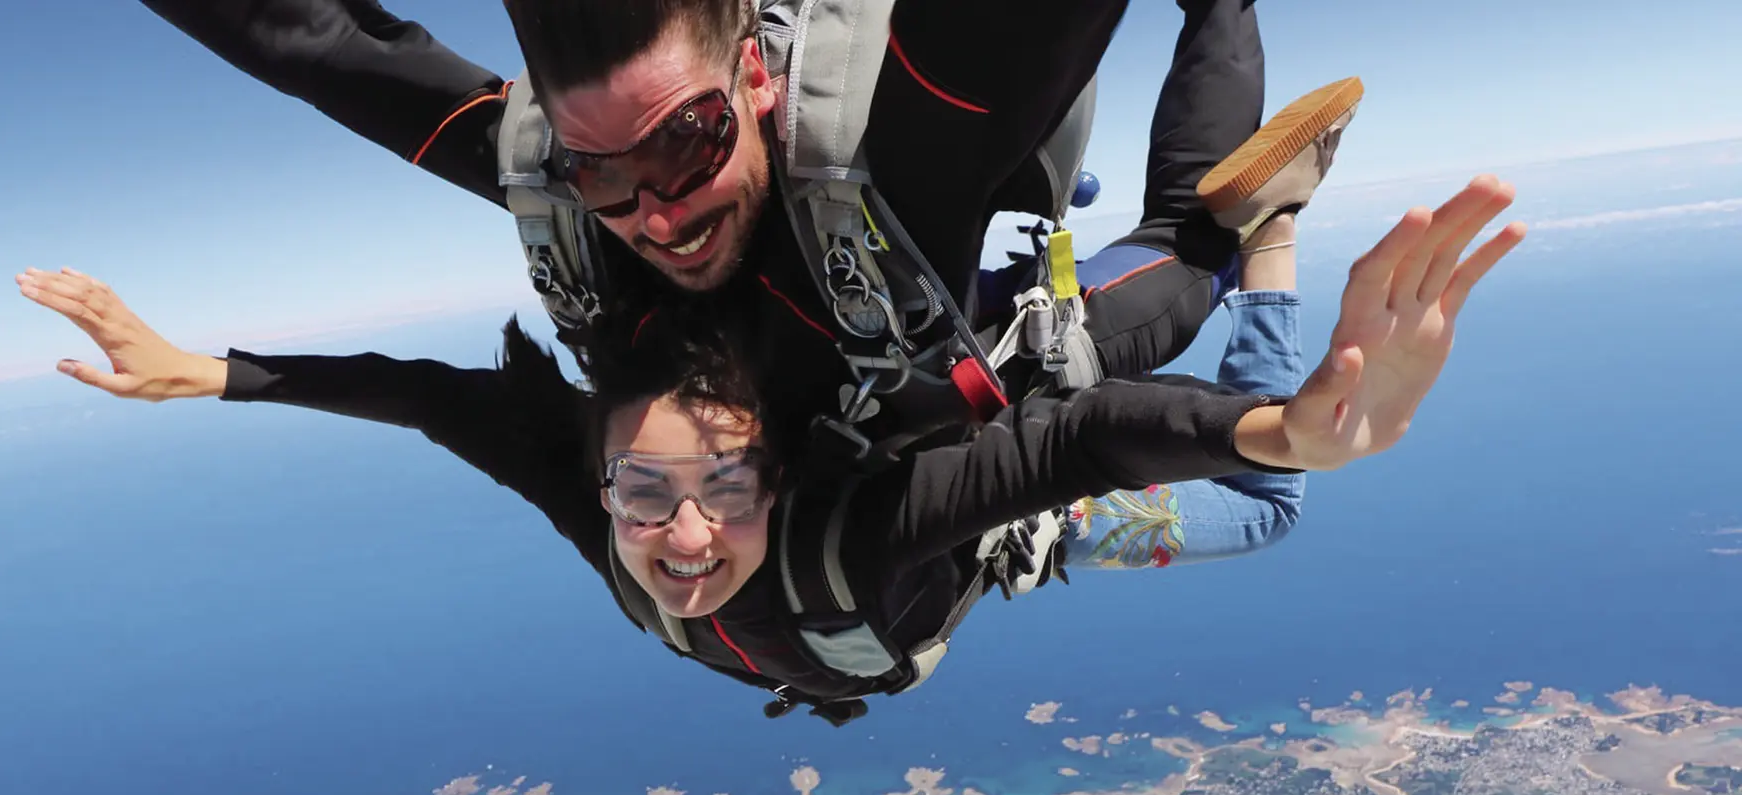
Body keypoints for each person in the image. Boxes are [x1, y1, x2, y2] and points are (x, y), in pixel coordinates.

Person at [16, 176, 1527, 722]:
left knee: (1257, 492)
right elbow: (434, 394)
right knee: (1152, 305)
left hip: (986, 531)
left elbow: (1082, 453)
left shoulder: (857, 537)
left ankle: (1258, 250)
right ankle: (1215, 249)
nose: (679, 537)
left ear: (777, 481)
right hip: (928, 540)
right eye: (646, 496)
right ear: (599, 482)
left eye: (716, 490)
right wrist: (210, 374)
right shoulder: (593, 497)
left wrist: (1287, 427)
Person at [133, 0, 1301, 464]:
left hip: (953, 396)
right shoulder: (566, 195)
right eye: (601, 170)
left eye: (688, 142)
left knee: (1194, 259)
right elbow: (305, 44)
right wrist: (217, 375)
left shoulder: (887, 150)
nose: (657, 212)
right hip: (877, 415)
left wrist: (1279, 435)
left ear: (755, 80)